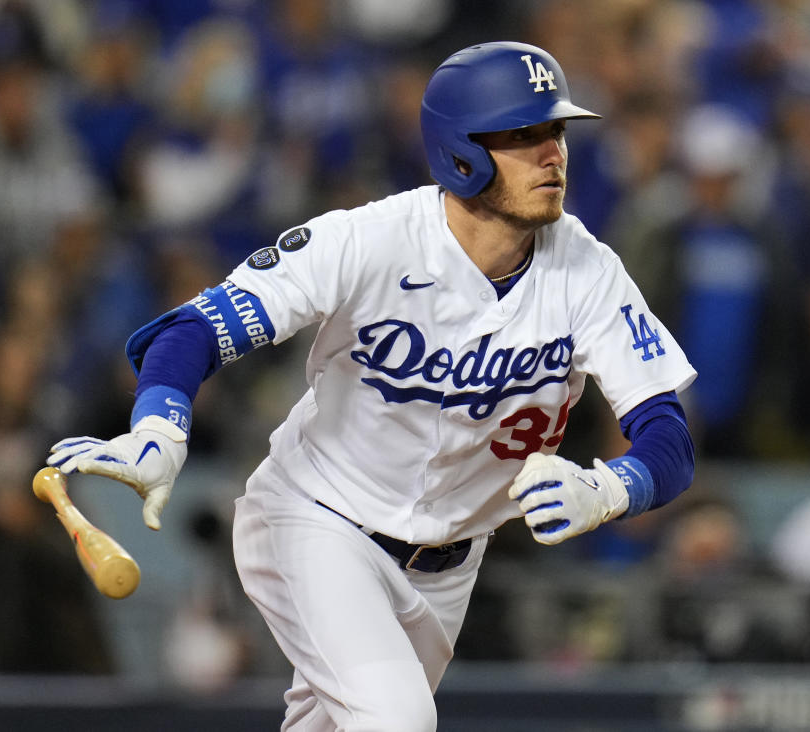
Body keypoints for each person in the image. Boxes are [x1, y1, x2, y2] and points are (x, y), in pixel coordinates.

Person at [47, 42, 697, 731]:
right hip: (319, 519)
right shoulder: (370, 240)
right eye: (524, 135)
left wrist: (610, 488)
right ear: (461, 153)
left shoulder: (588, 272)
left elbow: (669, 438)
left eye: (556, 130)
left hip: (447, 569)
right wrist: (159, 427)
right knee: (397, 720)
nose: (552, 153)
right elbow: (190, 330)